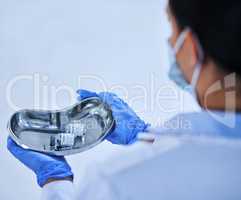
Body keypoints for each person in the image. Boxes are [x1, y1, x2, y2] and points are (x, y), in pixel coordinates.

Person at [7, 0, 241, 199]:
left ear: (190, 48)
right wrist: (148, 136)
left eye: (172, 27)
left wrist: (56, 181)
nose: (170, 43)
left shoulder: (117, 184)